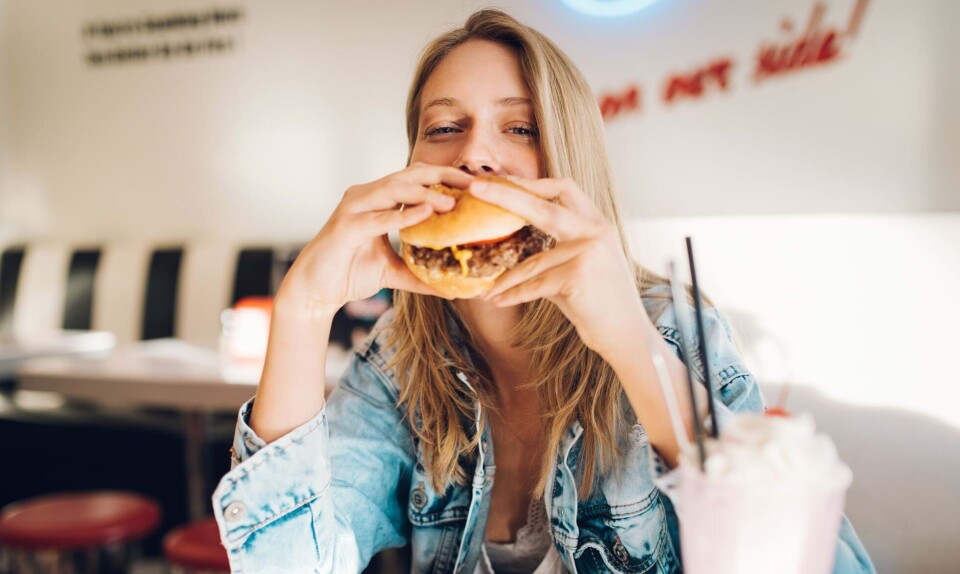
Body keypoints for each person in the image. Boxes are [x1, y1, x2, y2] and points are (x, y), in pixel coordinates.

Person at [212, 9, 875, 574]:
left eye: (520, 127)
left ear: (567, 160)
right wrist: (301, 311)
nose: (476, 155)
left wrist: (632, 346)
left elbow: (818, 559)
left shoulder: (669, 327)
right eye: (444, 127)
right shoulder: (398, 364)